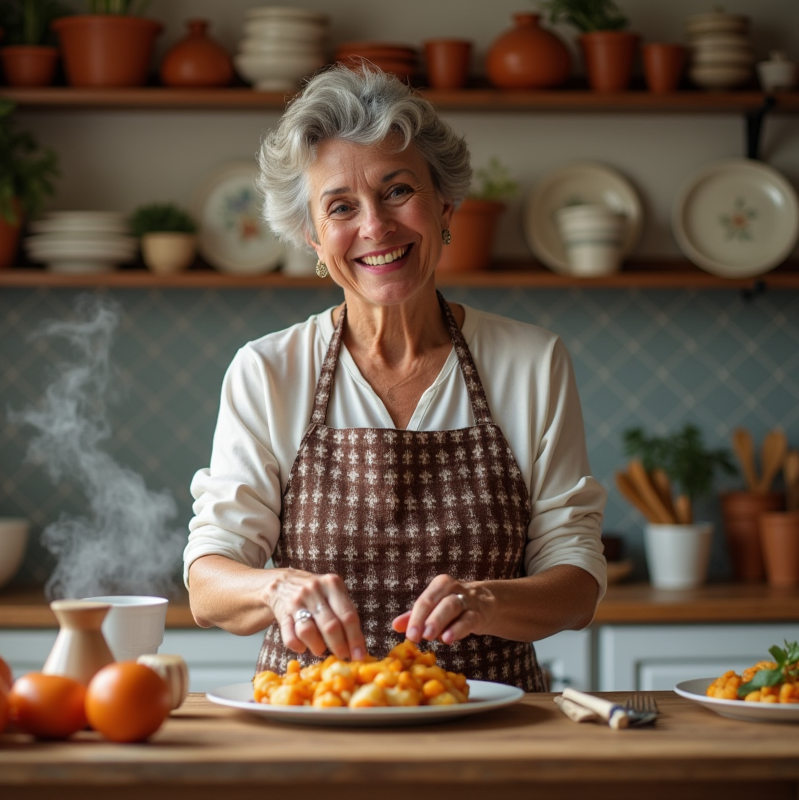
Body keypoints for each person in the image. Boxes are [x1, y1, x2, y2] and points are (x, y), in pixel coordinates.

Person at [184, 66, 605, 691]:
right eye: (341, 207)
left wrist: (487, 602)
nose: (376, 227)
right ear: (313, 238)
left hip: (490, 732)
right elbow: (207, 587)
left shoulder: (531, 361)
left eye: (398, 190)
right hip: (316, 726)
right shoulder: (268, 370)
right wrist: (277, 586)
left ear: (445, 207)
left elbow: (577, 585)